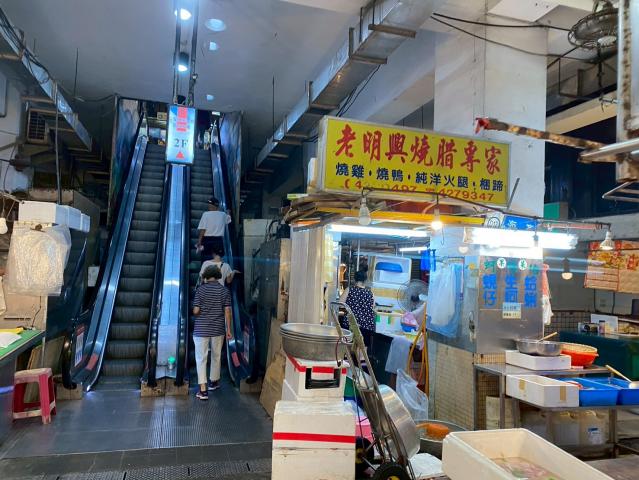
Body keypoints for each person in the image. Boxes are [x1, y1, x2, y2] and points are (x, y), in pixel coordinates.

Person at [192, 265, 233, 400]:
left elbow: (196, 310)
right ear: (217, 276)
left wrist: (198, 311)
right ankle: (214, 382)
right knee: (216, 355)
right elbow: (227, 311)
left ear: (206, 276)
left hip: (201, 329)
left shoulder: (200, 290)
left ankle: (203, 390)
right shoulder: (224, 291)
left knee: (201, 358)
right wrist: (229, 330)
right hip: (218, 329)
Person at [339, 270, 376, 345]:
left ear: (354, 279)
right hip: (366, 326)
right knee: (363, 347)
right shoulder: (370, 292)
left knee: (348, 345)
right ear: (365, 280)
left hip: (351, 324)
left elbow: (340, 304)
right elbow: (373, 307)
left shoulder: (349, 289)